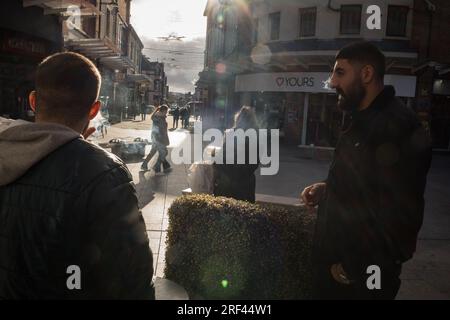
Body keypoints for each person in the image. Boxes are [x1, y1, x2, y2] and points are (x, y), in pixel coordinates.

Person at [0, 52, 155, 299]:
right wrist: (84, 152)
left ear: (32, 101)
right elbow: (132, 281)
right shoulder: (105, 173)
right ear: (94, 110)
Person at [300, 42, 432, 300]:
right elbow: (368, 185)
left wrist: (355, 267)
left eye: (340, 73)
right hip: (336, 268)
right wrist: (327, 189)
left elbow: (402, 211)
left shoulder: (398, 126)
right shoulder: (360, 119)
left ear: (367, 74)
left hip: (360, 279)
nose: (332, 82)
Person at [214, 106, 260, 203]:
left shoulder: (231, 134)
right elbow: (254, 164)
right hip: (246, 185)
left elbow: (221, 160)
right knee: (244, 213)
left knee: (227, 212)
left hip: (228, 183)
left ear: (238, 119)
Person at [141, 105, 171, 173]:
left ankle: (145, 165)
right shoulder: (158, 117)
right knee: (163, 152)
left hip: (158, 138)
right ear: (163, 111)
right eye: (166, 111)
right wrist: (161, 139)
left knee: (154, 152)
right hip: (158, 138)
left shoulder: (161, 117)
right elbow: (159, 129)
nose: (166, 113)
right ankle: (156, 167)